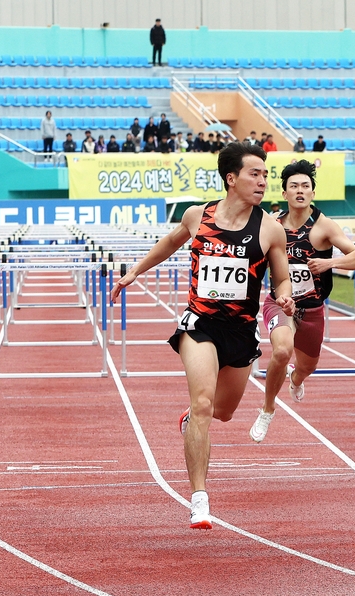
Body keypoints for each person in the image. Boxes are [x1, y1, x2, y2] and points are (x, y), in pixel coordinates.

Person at [111, 142, 294, 530]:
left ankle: (191, 420)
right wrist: (134, 273)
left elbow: (281, 278)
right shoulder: (199, 215)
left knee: (223, 412)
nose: (263, 181)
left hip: (241, 332)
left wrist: (284, 296)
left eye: (265, 175)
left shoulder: (270, 229)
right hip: (200, 324)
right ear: (232, 178)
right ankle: (199, 500)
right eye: (254, 174)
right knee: (204, 404)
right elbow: (170, 242)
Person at [250, 161, 355, 442]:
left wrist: (330, 264)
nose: (300, 191)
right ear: (285, 193)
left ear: (312, 192)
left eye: (305, 186)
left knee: (307, 367)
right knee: (281, 351)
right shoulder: (272, 224)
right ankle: (267, 409)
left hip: (313, 309)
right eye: (294, 186)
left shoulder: (323, 226)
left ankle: (296, 379)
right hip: (279, 302)